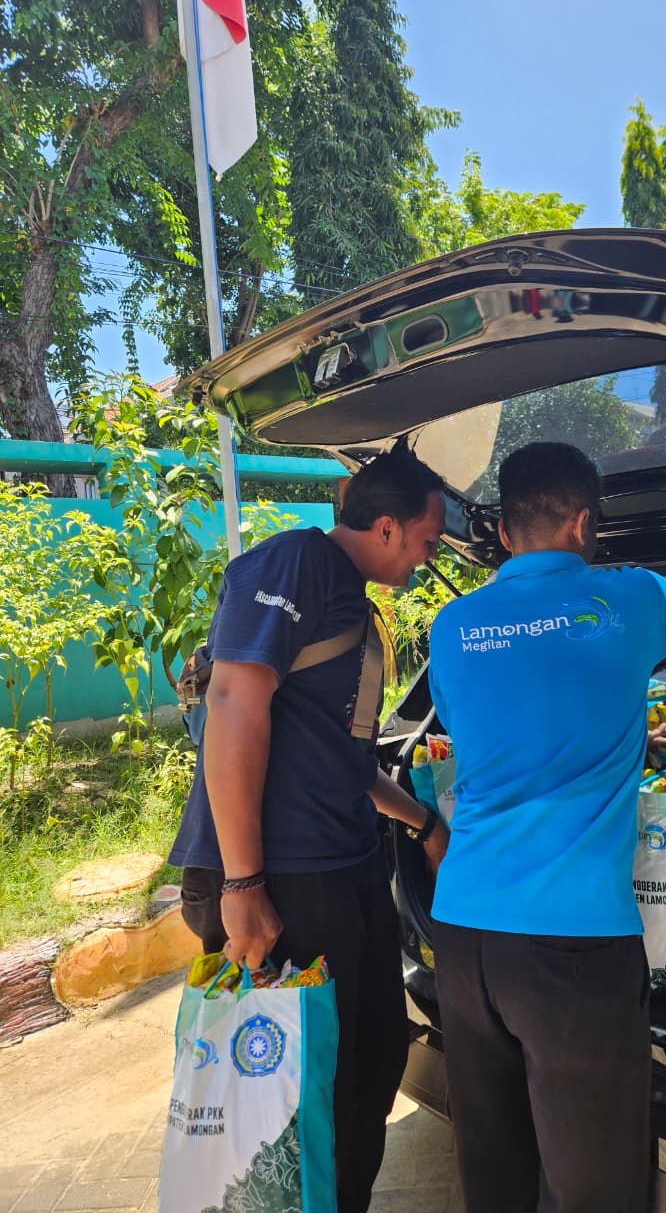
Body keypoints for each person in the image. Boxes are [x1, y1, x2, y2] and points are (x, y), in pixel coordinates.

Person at [427, 441, 666, 1213]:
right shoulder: (632, 598)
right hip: (574, 949)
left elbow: (473, 737)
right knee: (592, 1182)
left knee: (493, 1168)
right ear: (585, 522)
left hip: (462, 931)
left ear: (501, 533)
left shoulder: (453, 624)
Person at [169, 450, 450, 1213]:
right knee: (306, 1087)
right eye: (428, 539)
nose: (430, 557)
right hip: (283, 874)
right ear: (387, 527)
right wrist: (244, 884)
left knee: (367, 1062)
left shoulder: (354, 606)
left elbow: (345, 760)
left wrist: (423, 820)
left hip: (342, 863)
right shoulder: (298, 560)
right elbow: (231, 701)